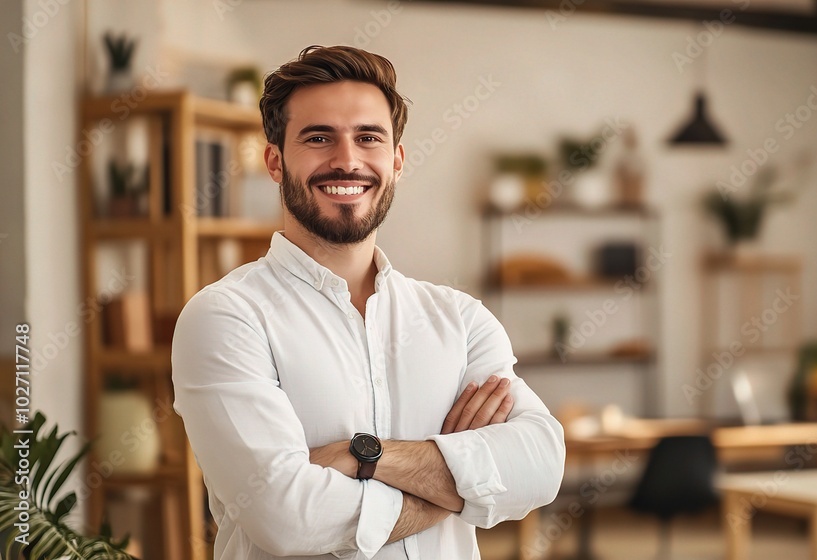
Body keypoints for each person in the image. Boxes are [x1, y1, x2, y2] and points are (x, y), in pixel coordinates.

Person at [171, 45, 565, 560]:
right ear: (275, 160)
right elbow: (286, 518)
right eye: (318, 138)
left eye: (369, 138)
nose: (347, 160)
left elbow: (539, 464)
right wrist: (461, 486)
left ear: (396, 161)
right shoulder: (225, 318)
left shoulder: (461, 319)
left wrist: (360, 457)